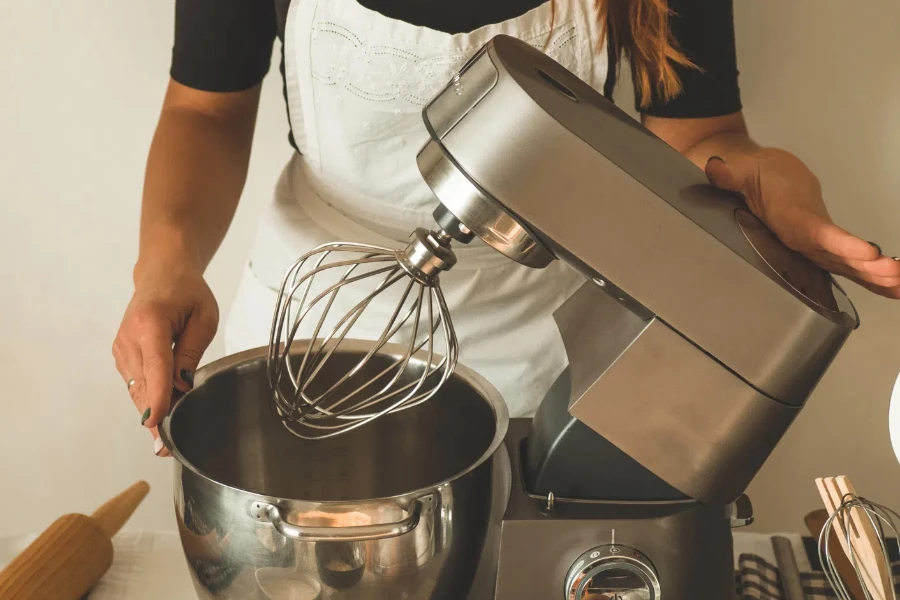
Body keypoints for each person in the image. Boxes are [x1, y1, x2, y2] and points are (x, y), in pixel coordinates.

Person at [113, 0, 900, 456]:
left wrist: (771, 183)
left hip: (542, 333)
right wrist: (166, 269)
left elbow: (699, 138)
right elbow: (204, 110)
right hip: (311, 325)